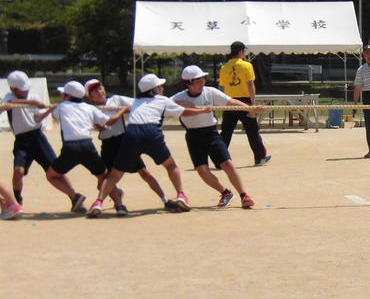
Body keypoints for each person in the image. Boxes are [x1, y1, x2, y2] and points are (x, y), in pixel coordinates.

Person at [86, 73, 212, 217]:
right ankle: (181, 196)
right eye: (160, 86)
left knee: (114, 175)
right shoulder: (161, 99)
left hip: (131, 135)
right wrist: (203, 110)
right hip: (151, 132)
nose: (162, 89)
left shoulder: (136, 101)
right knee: (171, 166)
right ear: (154, 89)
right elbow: (184, 112)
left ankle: (98, 203)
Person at [171, 65, 255, 209]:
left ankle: (244, 195)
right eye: (198, 80)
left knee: (227, 164)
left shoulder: (210, 92)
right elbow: (168, 105)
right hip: (193, 135)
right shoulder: (178, 98)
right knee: (202, 170)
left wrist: (249, 107)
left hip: (211, 133)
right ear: (188, 83)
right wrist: (187, 106)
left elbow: (230, 102)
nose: (202, 82)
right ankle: (225, 193)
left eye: (203, 79)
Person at [1, 70, 85, 213]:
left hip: (37, 137)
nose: (26, 91)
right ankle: (16, 200)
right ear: (13, 89)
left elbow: (37, 118)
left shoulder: (33, 96)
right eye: (22, 89)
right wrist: (33, 103)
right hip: (22, 140)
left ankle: (74, 197)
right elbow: (8, 104)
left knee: (54, 169)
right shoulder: (10, 97)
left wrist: (48, 110)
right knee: (18, 171)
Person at [35, 81, 128, 210]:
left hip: (70, 148)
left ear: (67, 96)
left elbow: (51, 116)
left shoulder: (62, 106)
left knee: (51, 175)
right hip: (87, 146)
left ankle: (74, 196)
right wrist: (123, 111)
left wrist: (58, 104)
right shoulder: (89, 107)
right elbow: (108, 121)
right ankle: (119, 205)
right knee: (103, 176)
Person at [218, 41, 270, 166]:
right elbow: (250, 84)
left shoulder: (224, 67)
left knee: (226, 132)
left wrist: (224, 102)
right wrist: (253, 104)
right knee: (252, 132)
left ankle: (219, 160)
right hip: (245, 102)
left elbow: (223, 87)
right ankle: (260, 158)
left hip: (230, 102)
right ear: (241, 52)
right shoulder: (247, 65)